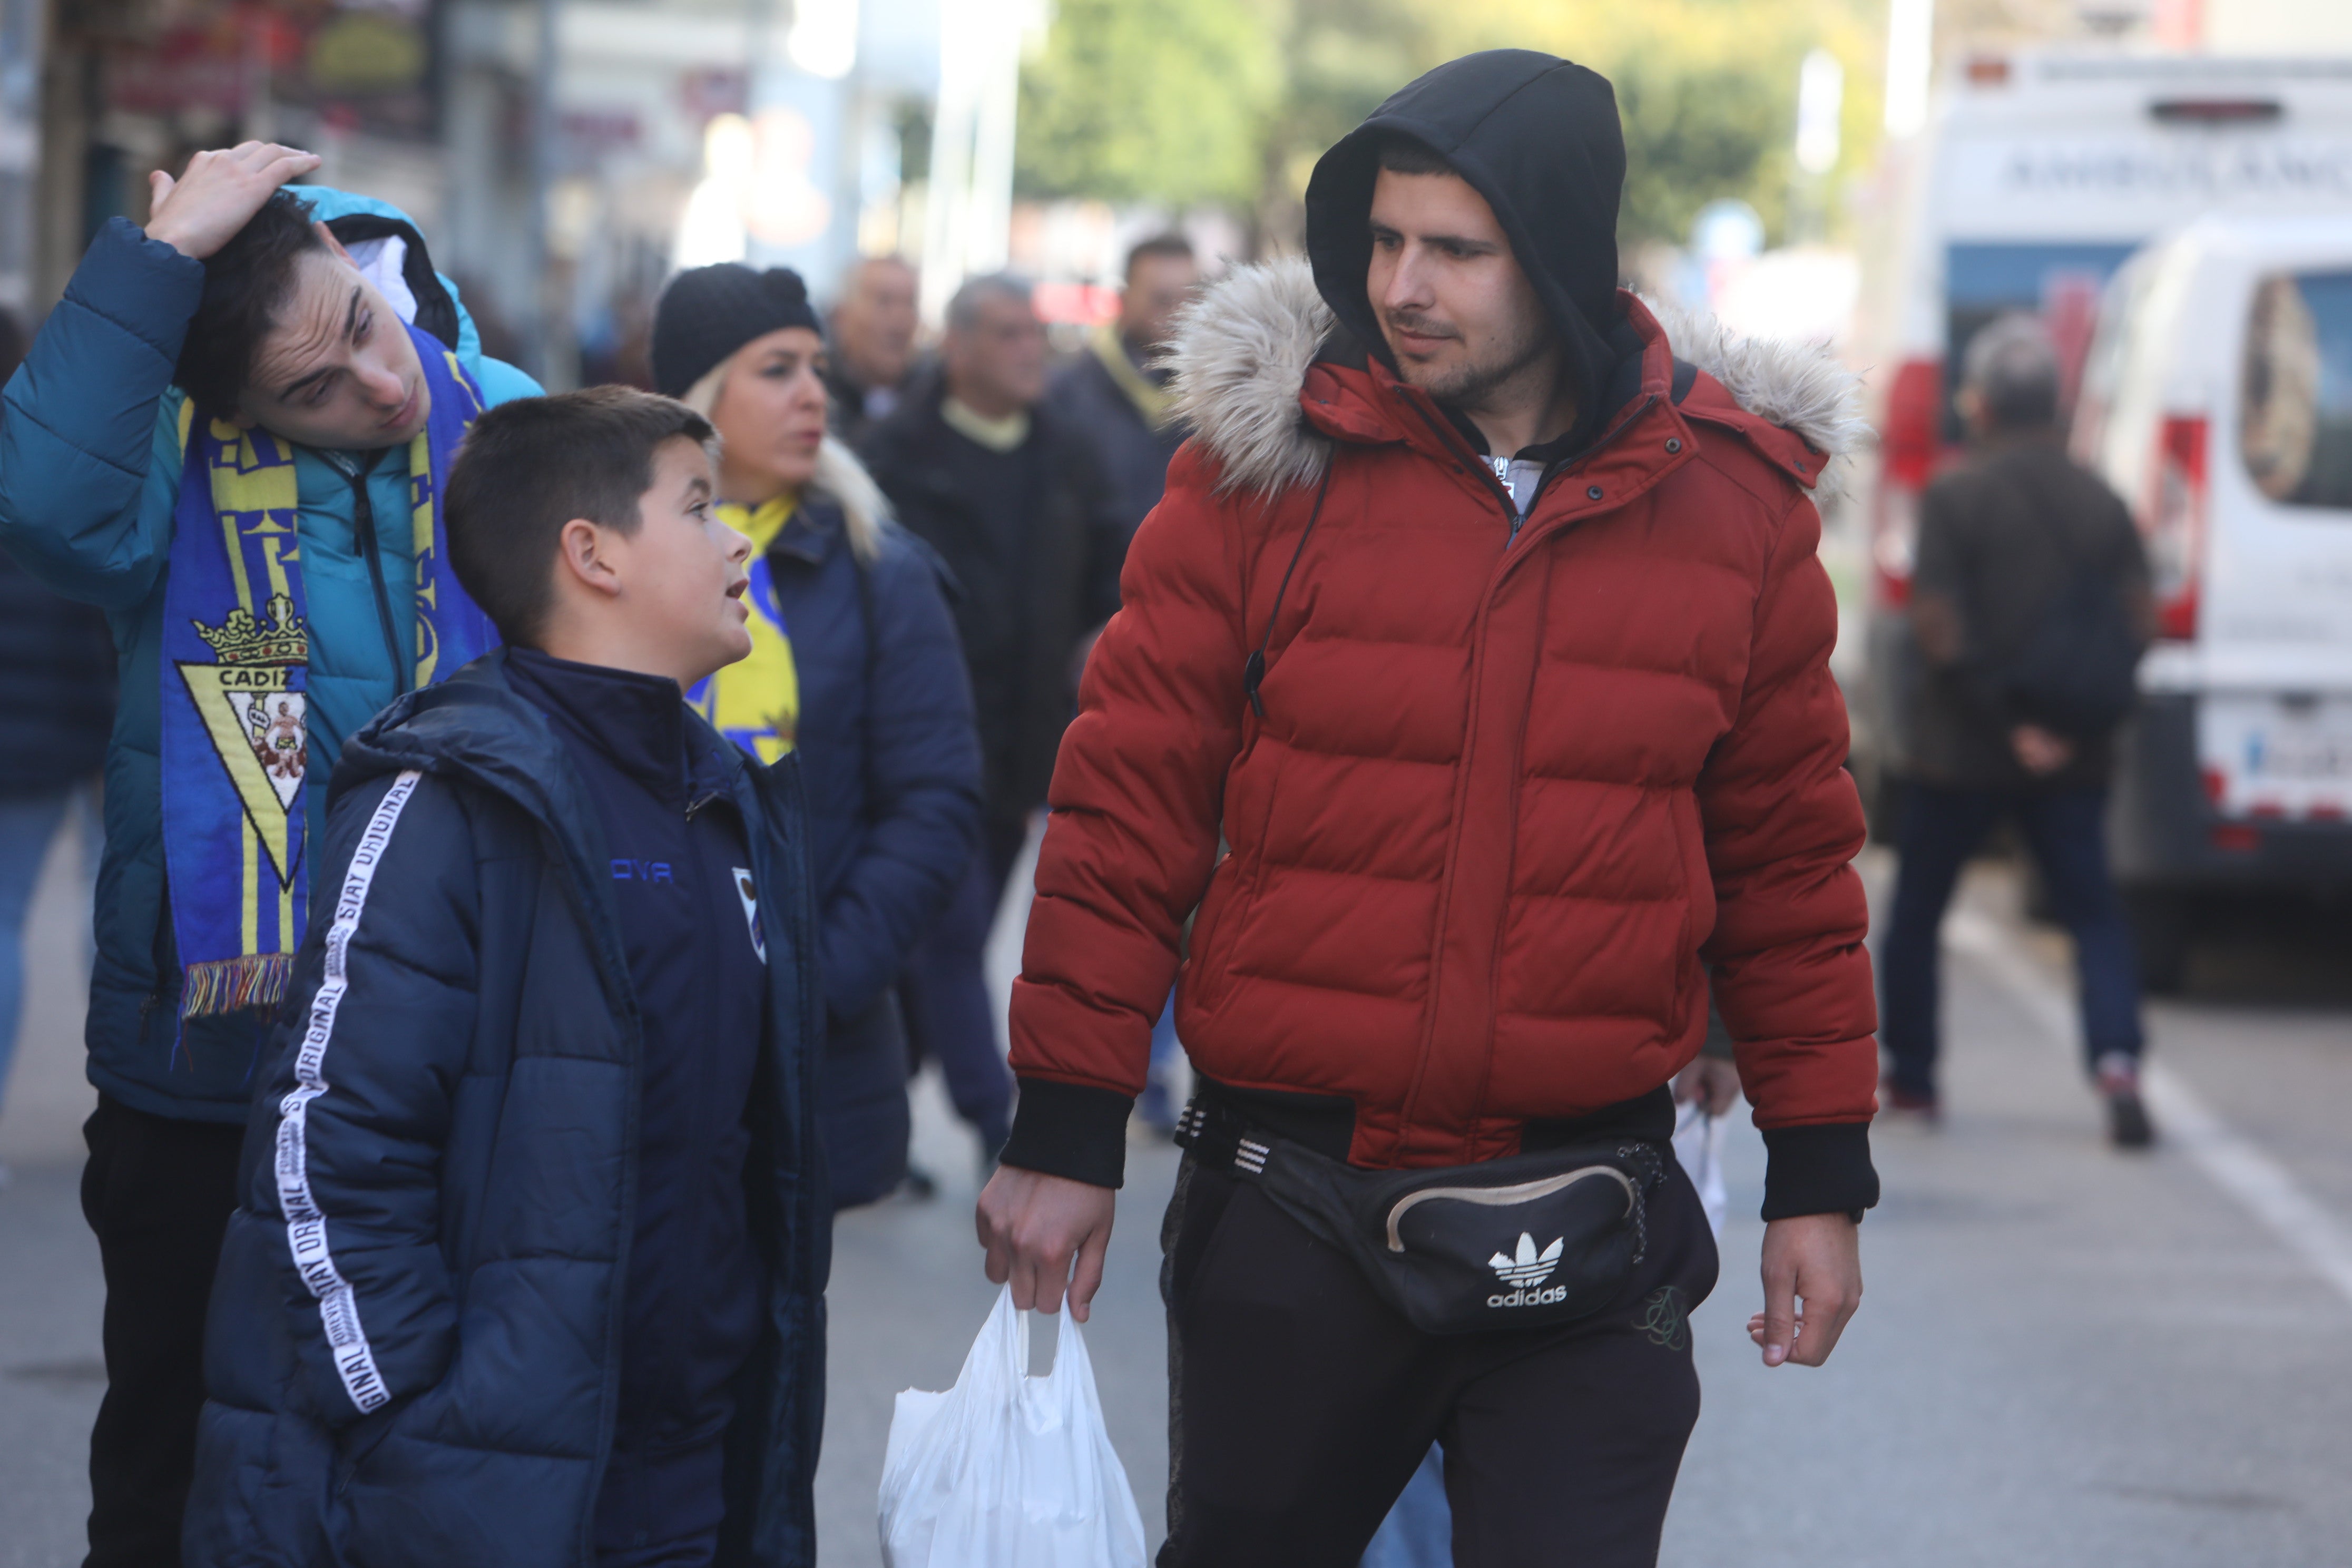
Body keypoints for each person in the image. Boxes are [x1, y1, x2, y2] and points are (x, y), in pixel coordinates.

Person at [974, 51, 1879, 1567]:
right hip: (1291, 1200)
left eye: (1456, 249)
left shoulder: (1737, 512)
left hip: (1589, 1210)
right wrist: (1066, 1130)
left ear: (1565, 258)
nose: (1403, 285)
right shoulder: (1260, 477)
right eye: (1385, 241)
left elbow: (1788, 865)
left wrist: (1821, 1180)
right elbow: (1127, 812)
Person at [0, 141, 538, 1566]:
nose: (379, 384)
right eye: (313, 390)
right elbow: (39, 498)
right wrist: (155, 264)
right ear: (225, 404)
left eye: (362, 324)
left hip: (453, 1053)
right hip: (210, 1072)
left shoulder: (511, 422)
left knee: (423, 1459)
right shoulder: (165, 478)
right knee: (175, 1458)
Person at [184, 387, 826, 1568]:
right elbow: (325, 1144)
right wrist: (415, 1411)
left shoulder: (730, 799)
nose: (739, 538)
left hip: (690, 1466)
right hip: (468, 1486)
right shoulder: (444, 793)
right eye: (698, 507)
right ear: (592, 555)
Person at [652, 261, 982, 1209]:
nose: (812, 396)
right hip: (646, 1021)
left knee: (777, 1333)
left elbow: (934, 801)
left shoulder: (882, 565)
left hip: (817, 1044)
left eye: (817, 370)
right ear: (700, 396)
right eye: (776, 369)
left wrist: (814, 981)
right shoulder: (618, 552)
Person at [858, 273, 1126, 1167]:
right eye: (1007, 333)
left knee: (944, 943)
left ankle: (874, 1113)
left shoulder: (1066, 454)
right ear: (960, 344)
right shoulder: (896, 453)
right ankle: (993, 1120)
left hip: (1024, 748)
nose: (1027, 350)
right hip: (923, 741)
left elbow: (1110, 575)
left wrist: (1103, 636)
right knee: (948, 931)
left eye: (1034, 334)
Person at [1881, 313, 2155, 1146]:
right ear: (2057, 407)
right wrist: (2066, 730)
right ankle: (2116, 1062)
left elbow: (1937, 624)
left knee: (1916, 919)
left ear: (1981, 405)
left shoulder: (1955, 495)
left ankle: (1918, 1081)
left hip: (1960, 753)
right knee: (2095, 916)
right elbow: (2139, 625)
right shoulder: (2104, 501)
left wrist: (2008, 720)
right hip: (2074, 758)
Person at [0, 310, 117, 1185]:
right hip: (96, 702)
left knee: (3, 922)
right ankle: (120, 1082)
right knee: (106, 902)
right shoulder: (59, 442)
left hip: (18, 723)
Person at [1048, 233, 1201, 543]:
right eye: (1163, 300)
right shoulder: (1068, 394)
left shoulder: (1224, 397)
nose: (1181, 316)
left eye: (1192, 300)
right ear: (1124, 300)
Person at [824, 255, 922, 443]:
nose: (900, 319)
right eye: (884, 302)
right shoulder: (816, 401)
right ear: (842, 315)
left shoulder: (932, 400)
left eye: (910, 303)